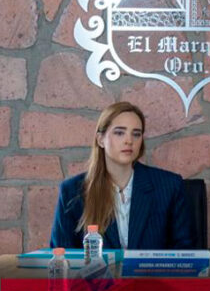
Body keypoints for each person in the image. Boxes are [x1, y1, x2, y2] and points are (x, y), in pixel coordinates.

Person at [50, 102, 195, 249]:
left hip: (154, 272)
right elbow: (61, 256)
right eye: (119, 132)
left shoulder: (169, 186)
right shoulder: (72, 191)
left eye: (136, 134)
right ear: (101, 140)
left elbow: (186, 252)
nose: (129, 141)